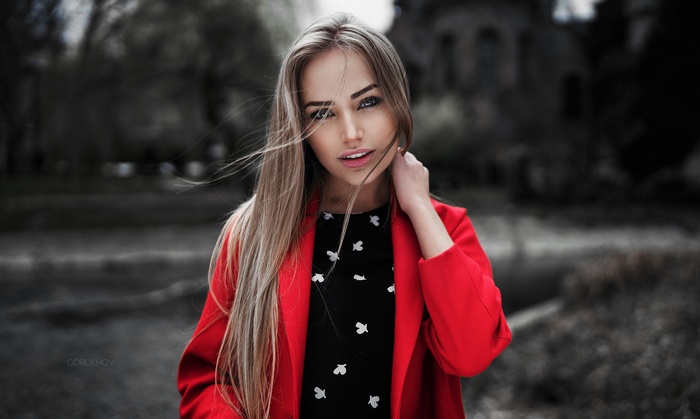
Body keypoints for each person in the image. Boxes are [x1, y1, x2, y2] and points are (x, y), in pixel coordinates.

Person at [177, 12, 511, 419]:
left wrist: (420, 208)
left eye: (368, 102)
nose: (351, 132)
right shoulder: (253, 234)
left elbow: (471, 354)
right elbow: (208, 380)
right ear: (298, 126)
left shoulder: (444, 230)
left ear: (397, 104)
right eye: (322, 113)